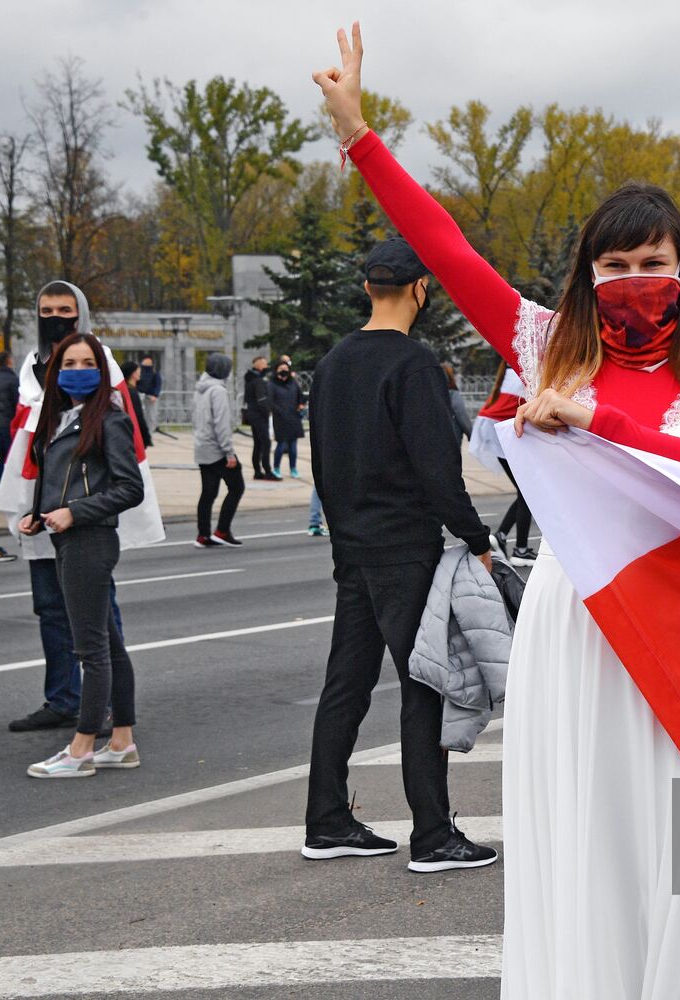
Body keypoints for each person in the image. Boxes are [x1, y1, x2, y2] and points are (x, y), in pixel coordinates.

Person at [314, 22, 680, 997]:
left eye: (652, 262)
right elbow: (444, 249)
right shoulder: (546, 345)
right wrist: (360, 138)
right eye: (615, 265)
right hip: (578, 621)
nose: (634, 282)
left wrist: (594, 419)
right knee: (590, 836)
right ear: (591, 273)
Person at [303, 236, 497, 874]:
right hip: (406, 550)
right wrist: (476, 538)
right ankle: (433, 836)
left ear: (368, 288)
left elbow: (324, 467)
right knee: (424, 687)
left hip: (354, 550)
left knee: (346, 685)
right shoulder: (414, 366)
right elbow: (438, 469)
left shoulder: (332, 364)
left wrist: (343, 534)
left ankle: (326, 821)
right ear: (421, 289)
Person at [0, 280, 150, 732]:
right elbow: (32, 444)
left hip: (85, 520)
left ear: (80, 312)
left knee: (99, 622)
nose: (55, 319)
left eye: (65, 310)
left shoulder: (99, 364)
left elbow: (124, 449)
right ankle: (64, 699)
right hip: (45, 511)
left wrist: (83, 509)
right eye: (46, 311)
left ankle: (107, 712)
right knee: (49, 608)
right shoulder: (32, 367)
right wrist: (30, 507)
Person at [19, 332, 143, 777]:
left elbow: (130, 488)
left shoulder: (109, 418)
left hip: (90, 540)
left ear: (101, 370)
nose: (77, 371)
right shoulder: (59, 418)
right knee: (110, 645)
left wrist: (75, 512)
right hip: (70, 538)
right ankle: (122, 743)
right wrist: (38, 514)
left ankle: (81, 749)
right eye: (69, 364)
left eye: (87, 363)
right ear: (55, 372)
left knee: (91, 650)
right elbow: (59, 480)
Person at [470, 361, 537, 567]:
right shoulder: (524, 370)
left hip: (492, 427)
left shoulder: (513, 369)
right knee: (527, 492)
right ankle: (521, 550)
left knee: (525, 491)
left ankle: (501, 536)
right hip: (497, 428)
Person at [193, 353, 245, 548]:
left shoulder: (200, 389)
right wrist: (228, 452)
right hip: (216, 448)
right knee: (237, 487)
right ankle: (222, 530)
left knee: (208, 492)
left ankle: (203, 535)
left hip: (202, 446)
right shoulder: (218, 391)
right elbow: (221, 423)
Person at [243, 356, 278, 481]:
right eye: (264, 364)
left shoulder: (250, 379)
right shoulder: (258, 380)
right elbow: (261, 399)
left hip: (252, 415)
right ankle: (267, 470)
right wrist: (268, 411)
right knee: (265, 443)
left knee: (257, 444)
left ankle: (257, 471)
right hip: (260, 415)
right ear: (257, 365)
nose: (267, 366)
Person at [270, 360, 304, 479]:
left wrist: (300, 405)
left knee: (293, 446)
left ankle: (293, 468)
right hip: (280, 419)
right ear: (276, 370)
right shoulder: (272, 384)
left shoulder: (293, 382)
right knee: (281, 444)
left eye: (286, 368)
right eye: (281, 368)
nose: (284, 371)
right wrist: (280, 411)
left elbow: (300, 396)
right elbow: (270, 401)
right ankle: (276, 468)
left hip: (293, 417)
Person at [0, 350, 15, 560]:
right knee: (7, 461)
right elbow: (16, 403)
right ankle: (4, 489)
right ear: (9, 361)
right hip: (7, 427)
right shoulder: (12, 379)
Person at [118, 361, 153, 449]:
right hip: (133, 433)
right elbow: (138, 415)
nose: (140, 373)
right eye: (138, 371)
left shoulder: (125, 390)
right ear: (133, 374)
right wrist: (146, 436)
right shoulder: (131, 393)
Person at [442, 362, 475, 447]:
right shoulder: (453, 394)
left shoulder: (430, 395)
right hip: (452, 439)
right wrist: (471, 434)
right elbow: (461, 415)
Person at [136, 355, 161, 433]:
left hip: (150, 396)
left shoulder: (155, 372)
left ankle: (149, 432)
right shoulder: (139, 371)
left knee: (151, 416)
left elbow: (158, 384)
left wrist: (155, 395)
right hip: (140, 395)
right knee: (140, 414)